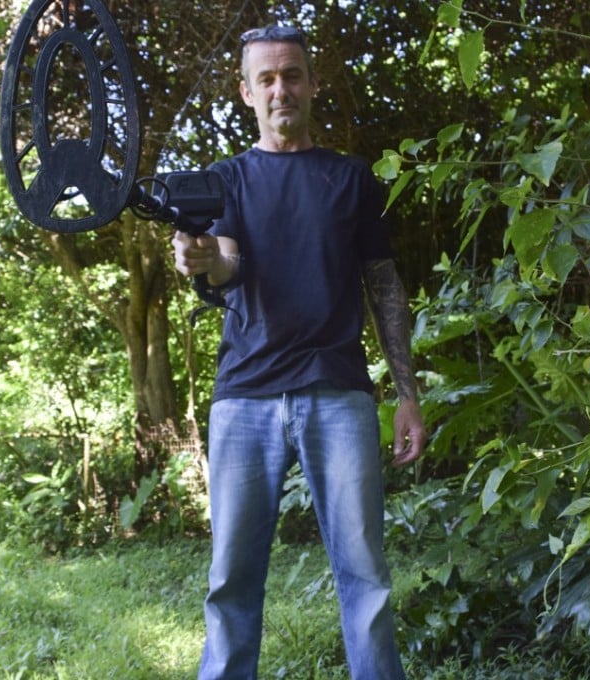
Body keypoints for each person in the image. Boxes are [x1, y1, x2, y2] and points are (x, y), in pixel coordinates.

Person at [172, 24, 427, 680]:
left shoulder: (350, 179)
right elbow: (225, 263)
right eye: (267, 78)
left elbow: (383, 286)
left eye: (292, 74)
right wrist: (199, 258)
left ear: (313, 84)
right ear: (246, 92)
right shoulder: (225, 180)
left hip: (336, 391)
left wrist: (407, 394)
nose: (280, 88)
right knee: (230, 579)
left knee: (365, 578)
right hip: (244, 399)